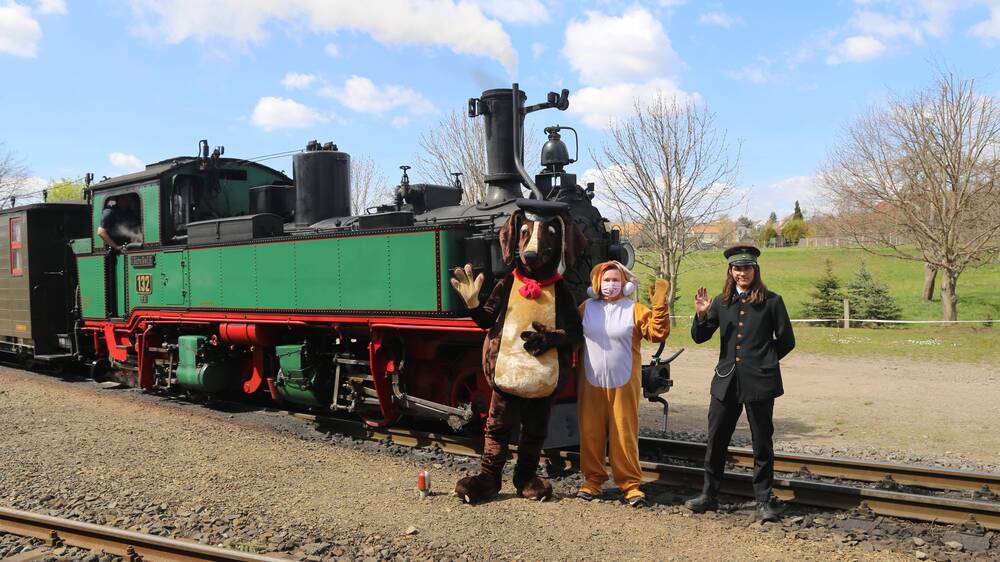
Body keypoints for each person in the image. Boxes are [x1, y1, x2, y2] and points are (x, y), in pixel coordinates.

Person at [684, 244, 795, 522]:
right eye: (737, 268)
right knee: (716, 440)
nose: (741, 273)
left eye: (746, 268)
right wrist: (701, 315)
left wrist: (765, 361)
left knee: (762, 443)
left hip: (760, 383)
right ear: (730, 271)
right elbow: (700, 337)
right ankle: (709, 495)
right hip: (726, 382)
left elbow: (787, 340)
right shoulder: (721, 302)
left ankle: (763, 501)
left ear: (755, 270)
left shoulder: (772, 301)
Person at [576, 260, 670, 507]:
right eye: (606, 280)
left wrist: (660, 305)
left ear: (625, 283)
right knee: (590, 432)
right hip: (591, 383)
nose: (611, 285)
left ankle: (630, 485)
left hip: (624, 383)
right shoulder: (585, 308)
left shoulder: (635, 309)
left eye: (616, 280)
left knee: (623, 432)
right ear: (597, 283)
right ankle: (593, 481)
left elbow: (657, 334)